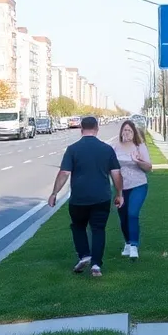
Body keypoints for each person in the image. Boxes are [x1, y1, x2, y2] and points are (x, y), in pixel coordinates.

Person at [48, 115, 123, 277]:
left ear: (81, 129)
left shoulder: (72, 149)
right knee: (98, 229)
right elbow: (116, 173)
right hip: (101, 197)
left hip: (79, 198)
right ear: (97, 129)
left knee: (78, 226)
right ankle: (96, 265)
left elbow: (64, 173)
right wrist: (119, 194)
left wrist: (54, 193)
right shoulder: (107, 149)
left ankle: (84, 255)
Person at [111, 119, 153, 259]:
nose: (127, 132)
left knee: (132, 213)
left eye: (129, 130)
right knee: (123, 216)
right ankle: (128, 243)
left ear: (134, 132)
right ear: (121, 132)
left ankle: (134, 245)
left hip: (138, 185)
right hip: (121, 188)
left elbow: (148, 167)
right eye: (125, 130)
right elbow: (110, 166)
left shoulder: (139, 146)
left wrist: (137, 161)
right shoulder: (115, 147)